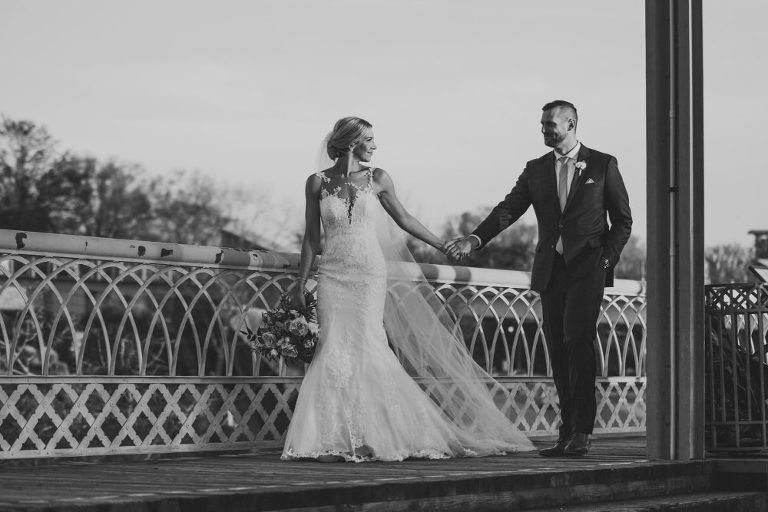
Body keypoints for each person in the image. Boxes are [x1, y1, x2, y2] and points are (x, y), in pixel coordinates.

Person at [282, 116, 534, 462]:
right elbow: (312, 237)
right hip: (332, 275)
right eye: (369, 139)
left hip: (369, 273)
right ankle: (333, 437)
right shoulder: (317, 183)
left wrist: (443, 244)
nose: (375, 145)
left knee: (369, 344)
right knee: (333, 348)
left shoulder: (379, 178)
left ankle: (379, 433)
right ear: (352, 142)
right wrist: (301, 280)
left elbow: (405, 219)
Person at [445, 101, 632, 457]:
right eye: (542, 124)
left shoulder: (603, 164)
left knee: (578, 342)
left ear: (571, 123)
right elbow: (509, 208)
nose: (544, 130)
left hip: (588, 267)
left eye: (550, 124)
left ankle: (582, 431)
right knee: (559, 350)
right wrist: (474, 239)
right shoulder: (535, 169)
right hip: (550, 270)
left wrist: (605, 260)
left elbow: (623, 220)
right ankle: (566, 432)